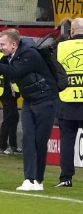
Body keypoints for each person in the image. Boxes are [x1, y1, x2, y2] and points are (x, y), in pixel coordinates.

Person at [0, 29, 58, 191]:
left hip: (46, 100)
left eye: (3, 44)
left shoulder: (30, 55)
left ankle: (38, 180)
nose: (0, 48)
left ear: (13, 44)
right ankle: (29, 179)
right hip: (30, 101)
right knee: (27, 139)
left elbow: (13, 72)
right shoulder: (9, 57)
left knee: (40, 142)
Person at [55, 17, 83, 187]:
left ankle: (66, 178)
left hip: (68, 99)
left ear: (71, 31)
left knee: (67, 140)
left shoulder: (61, 46)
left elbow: (54, 70)